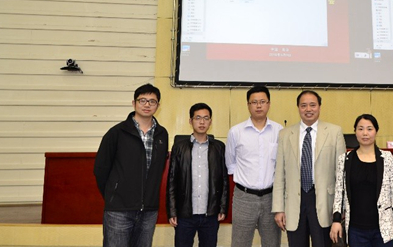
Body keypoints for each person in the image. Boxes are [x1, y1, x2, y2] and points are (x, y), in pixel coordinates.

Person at [94, 83, 169, 247]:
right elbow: (101, 169)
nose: (147, 104)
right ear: (134, 103)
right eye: (142, 100)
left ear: (158, 106)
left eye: (152, 101)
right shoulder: (117, 132)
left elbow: (159, 169)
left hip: (148, 211)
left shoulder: (162, 134)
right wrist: (113, 195)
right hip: (119, 210)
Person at [272, 90, 346, 247]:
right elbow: (279, 174)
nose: (308, 109)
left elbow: (341, 175)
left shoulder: (334, 132)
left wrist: (340, 208)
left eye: (313, 105)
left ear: (319, 106)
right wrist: (278, 209)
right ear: (298, 108)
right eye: (303, 105)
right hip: (294, 202)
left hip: (324, 202)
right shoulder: (285, 134)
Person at [330, 114, 393, 247]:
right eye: (360, 129)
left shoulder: (387, 158)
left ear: (376, 131)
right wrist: (336, 220)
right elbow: (339, 193)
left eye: (369, 129)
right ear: (355, 131)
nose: (365, 133)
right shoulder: (345, 159)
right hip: (356, 229)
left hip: (383, 229)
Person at [225, 85, 283, 247]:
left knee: (272, 243)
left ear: (269, 104)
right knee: (240, 243)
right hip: (244, 198)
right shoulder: (236, 132)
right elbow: (231, 163)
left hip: (271, 198)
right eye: (254, 102)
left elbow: (281, 165)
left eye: (262, 102)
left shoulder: (279, 131)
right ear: (248, 105)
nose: (258, 106)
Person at [166, 102, 229, 247]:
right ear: (190, 121)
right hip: (184, 214)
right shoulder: (179, 147)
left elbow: (224, 180)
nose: (202, 122)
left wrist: (222, 207)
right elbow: (172, 181)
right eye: (198, 118)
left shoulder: (219, 148)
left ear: (210, 122)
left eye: (206, 118)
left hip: (210, 214)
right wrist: (172, 211)